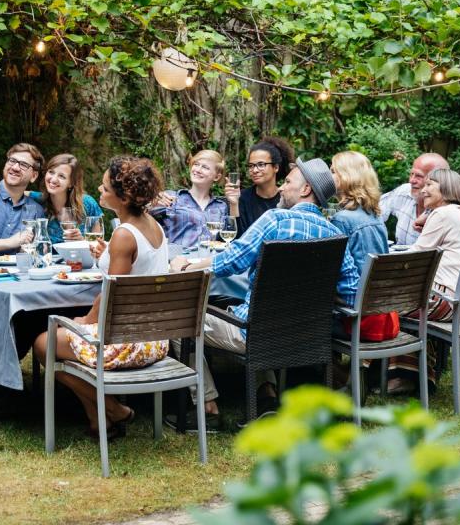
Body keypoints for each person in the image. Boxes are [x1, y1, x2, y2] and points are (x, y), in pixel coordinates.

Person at [170, 157, 360, 427]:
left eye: (288, 182)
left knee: (181, 320)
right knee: (241, 307)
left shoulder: (275, 220)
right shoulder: (335, 233)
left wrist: (187, 265)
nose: (281, 188)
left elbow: (231, 260)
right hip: (309, 335)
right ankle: (266, 395)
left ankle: (208, 407)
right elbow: (351, 293)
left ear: (306, 190)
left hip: (255, 333)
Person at [33, 156, 170, 439]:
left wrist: (84, 321)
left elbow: (110, 295)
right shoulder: (153, 227)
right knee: (58, 337)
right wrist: (108, 251)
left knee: (44, 343)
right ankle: (99, 421)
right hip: (157, 337)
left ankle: (113, 408)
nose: (99, 188)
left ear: (124, 196)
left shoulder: (124, 234)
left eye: (106, 187)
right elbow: (137, 265)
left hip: (130, 342)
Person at [387, 168, 460, 394]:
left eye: (430, 185)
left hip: (445, 300)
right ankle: (406, 372)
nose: (423, 190)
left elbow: (416, 258)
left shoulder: (443, 214)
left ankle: (396, 375)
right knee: (399, 300)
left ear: (446, 189)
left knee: (381, 302)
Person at [0, 153, 103, 244]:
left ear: (71, 183)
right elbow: (11, 190)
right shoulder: (38, 200)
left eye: (61, 176)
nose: (53, 179)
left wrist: (81, 241)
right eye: (51, 172)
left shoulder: (87, 204)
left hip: (81, 270)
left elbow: (99, 247)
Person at [150, 149, 240, 248]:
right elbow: (138, 216)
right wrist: (151, 201)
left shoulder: (221, 206)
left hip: (207, 262)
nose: (197, 170)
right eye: (196, 164)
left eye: (205, 167)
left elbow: (232, 239)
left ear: (216, 177)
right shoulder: (171, 197)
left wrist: (234, 203)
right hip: (175, 261)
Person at [330, 151, 389, 272]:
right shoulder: (374, 214)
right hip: (376, 286)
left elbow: (336, 267)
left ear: (347, 176)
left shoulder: (342, 219)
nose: (328, 176)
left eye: (333, 171)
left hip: (357, 289)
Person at [237, 137, 295, 236]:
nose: (254, 170)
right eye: (251, 166)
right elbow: (236, 238)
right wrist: (234, 204)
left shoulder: (287, 197)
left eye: (261, 164)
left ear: (276, 167)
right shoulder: (242, 197)